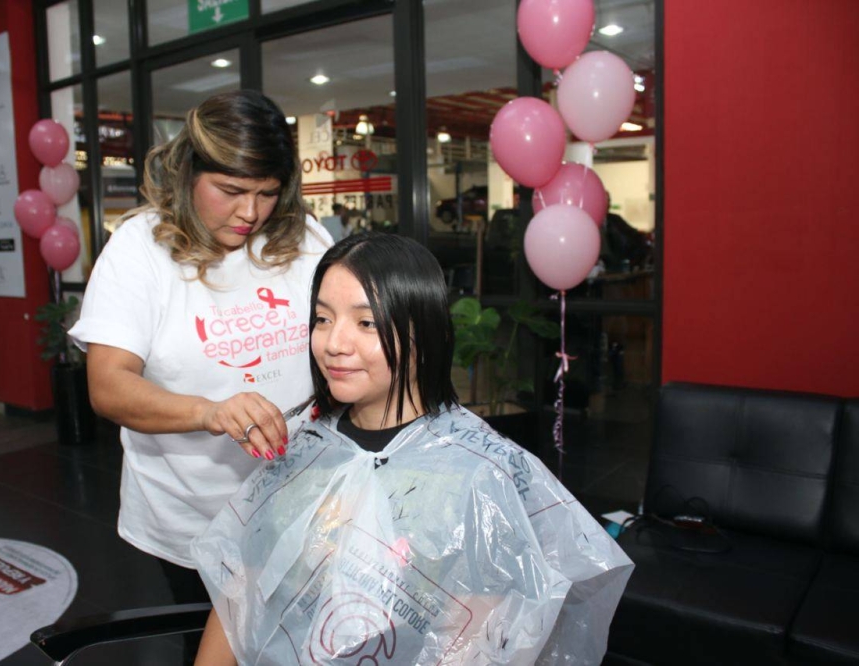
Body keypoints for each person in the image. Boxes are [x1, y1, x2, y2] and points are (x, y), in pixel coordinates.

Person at [190, 233, 633, 665]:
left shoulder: (478, 474)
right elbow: (237, 601)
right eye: (323, 319)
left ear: (423, 332)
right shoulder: (302, 450)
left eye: (366, 323)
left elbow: (473, 646)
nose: (333, 344)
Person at [66, 90, 333, 659]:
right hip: (192, 511)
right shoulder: (140, 248)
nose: (250, 213)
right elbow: (108, 383)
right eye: (231, 191)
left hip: (300, 500)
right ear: (189, 172)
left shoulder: (303, 237)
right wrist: (208, 411)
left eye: (266, 193)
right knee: (214, 643)